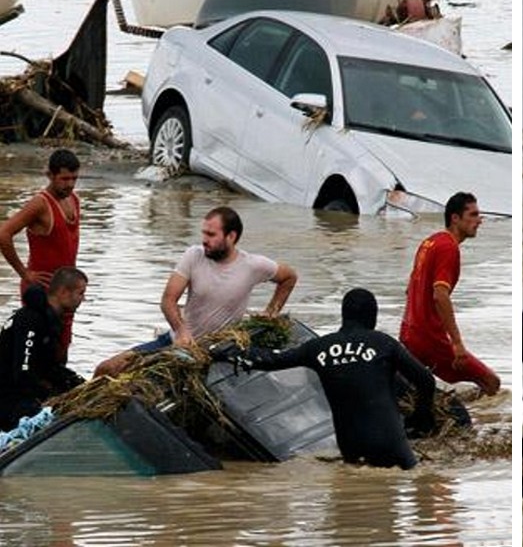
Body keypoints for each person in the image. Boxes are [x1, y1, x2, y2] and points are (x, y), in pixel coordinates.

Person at [212, 288, 435, 469]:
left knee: (351, 509)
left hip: (352, 447)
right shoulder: (383, 343)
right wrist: (420, 418)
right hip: (391, 445)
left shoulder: (318, 348)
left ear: (344, 315)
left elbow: (270, 360)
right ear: (373, 317)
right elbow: (426, 380)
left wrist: (225, 354)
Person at [93, 206, 297, 377]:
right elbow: (168, 300)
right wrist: (181, 331)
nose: (204, 240)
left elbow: (289, 278)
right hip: (176, 342)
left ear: (231, 236)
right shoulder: (193, 255)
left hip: (215, 353)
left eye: (211, 234)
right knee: (106, 368)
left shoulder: (253, 265)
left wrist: (271, 312)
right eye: (203, 233)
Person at [400, 192, 500, 396]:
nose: (479, 220)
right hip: (430, 338)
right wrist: (456, 342)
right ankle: (480, 422)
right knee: (491, 382)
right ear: (455, 218)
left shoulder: (429, 242)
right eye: (473, 214)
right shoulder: (448, 248)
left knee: (413, 391)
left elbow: (410, 288)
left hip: (409, 334)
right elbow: (440, 295)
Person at [0, 149, 82, 363]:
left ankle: (61, 395)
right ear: (51, 176)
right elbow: (4, 234)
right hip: (41, 290)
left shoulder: (73, 199)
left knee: (63, 346)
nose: (70, 184)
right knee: (37, 352)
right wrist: (24, 273)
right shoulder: (40, 204)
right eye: (64, 179)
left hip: (66, 290)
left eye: (74, 178)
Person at [0, 267, 88, 431]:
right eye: (81, 293)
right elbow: (22, 371)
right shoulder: (31, 319)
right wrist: (51, 397)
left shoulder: (50, 320)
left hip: (17, 390)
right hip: (7, 396)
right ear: (63, 292)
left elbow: (48, 367)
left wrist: (79, 385)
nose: (83, 299)